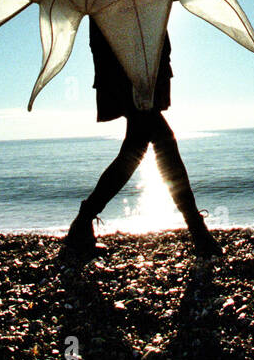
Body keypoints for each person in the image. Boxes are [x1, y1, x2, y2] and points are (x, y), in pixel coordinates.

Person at [60, 21, 224, 260]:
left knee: (138, 144)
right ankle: (198, 230)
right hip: (127, 60)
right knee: (159, 141)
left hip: (142, 57)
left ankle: (82, 224)